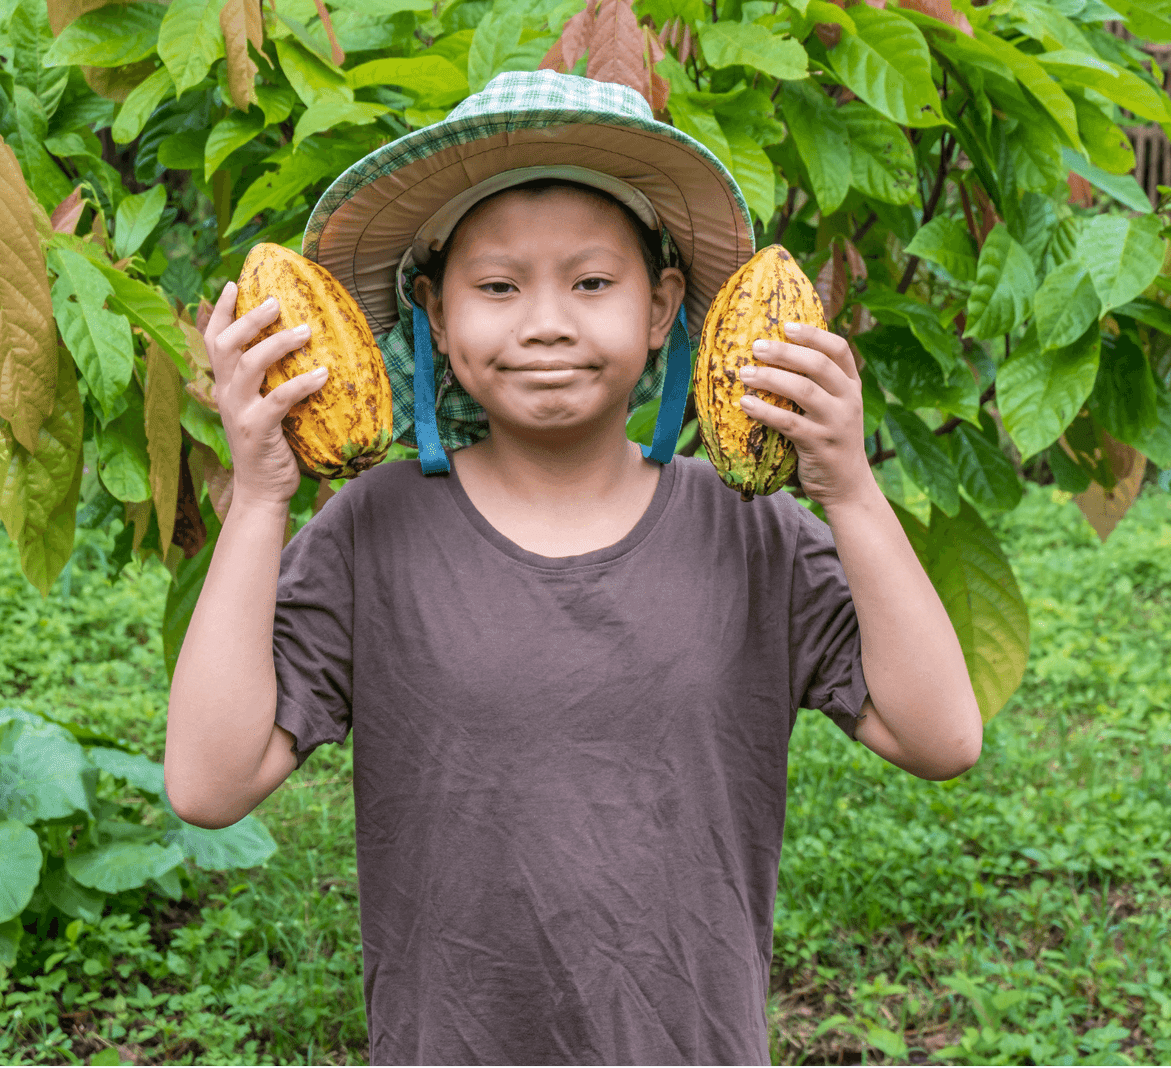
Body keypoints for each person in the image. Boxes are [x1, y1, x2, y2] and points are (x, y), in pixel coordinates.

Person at [164, 70, 981, 1065]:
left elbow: (940, 736)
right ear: (433, 310)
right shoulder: (374, 532)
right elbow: (209, 785)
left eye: (592, 283)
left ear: (660, 306)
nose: (545, 321)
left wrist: (847, 487)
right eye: (497, 286)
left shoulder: (748, 532)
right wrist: (259, 498)